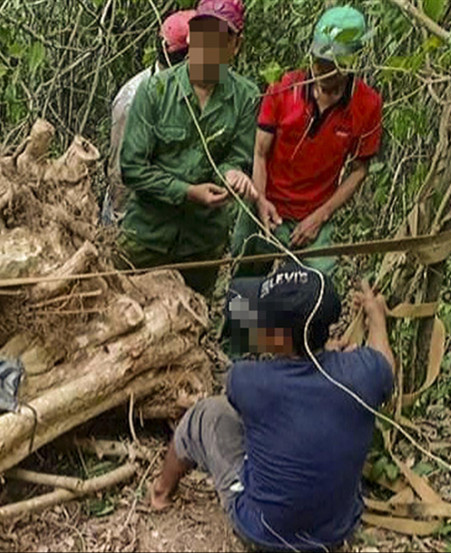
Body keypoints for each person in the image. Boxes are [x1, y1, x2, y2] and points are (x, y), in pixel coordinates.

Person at [150, 263, 395, 552]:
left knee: (205, 414)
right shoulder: (363, 372)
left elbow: (278, 399)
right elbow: (385, 363)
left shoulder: (246, 379)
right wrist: (376, 318)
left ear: (278, 335)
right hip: (336, 531)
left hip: (262, 532)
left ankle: (159, 493)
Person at [117, 0, 259, 297]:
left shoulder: (246, 97)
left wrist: (233, 175)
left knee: (188, 326)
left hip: (201, 245)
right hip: (146, 237)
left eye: (221, 37)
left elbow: (237, 157)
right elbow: (131, 168)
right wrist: (186, 192)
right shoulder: (156, 91)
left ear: (236, 45)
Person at [231, 6, 383, 277]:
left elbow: (359, 170)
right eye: (319, 62)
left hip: (314, 211)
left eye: (332, 66)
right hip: (267, 200)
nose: (323, 72)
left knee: (316, 289)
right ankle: (241, 318)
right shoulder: (283, 88)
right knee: (245, 284)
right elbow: (260, 153)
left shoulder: (367, 104)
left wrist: (321, 216)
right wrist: (261, 200)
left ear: (351, 62)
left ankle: (291, 318)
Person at [102, 9, 196, 226]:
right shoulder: (132, 101)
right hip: (137, 218)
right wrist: (124, 228)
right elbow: (120, 174)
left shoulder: (193, 91)